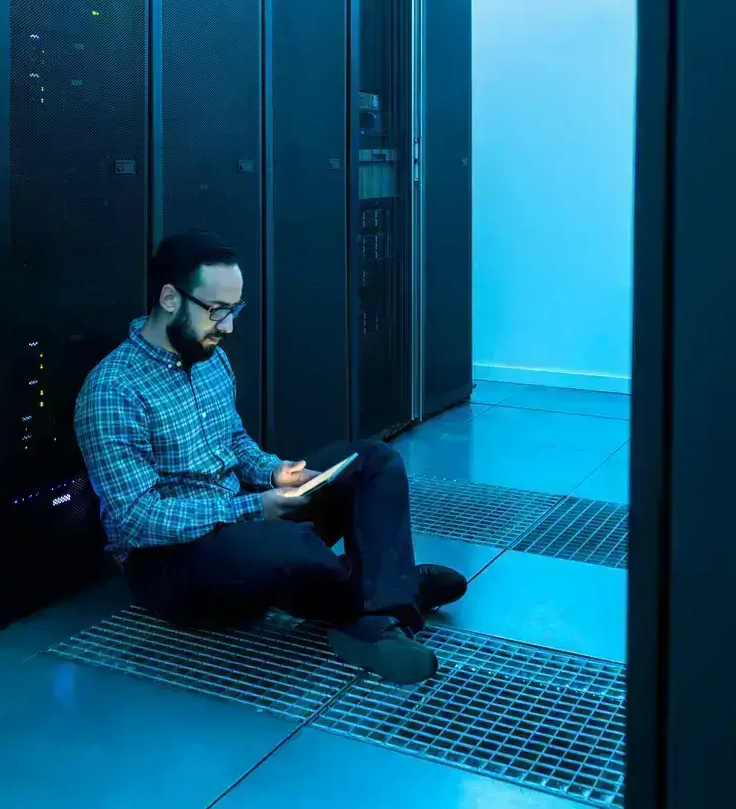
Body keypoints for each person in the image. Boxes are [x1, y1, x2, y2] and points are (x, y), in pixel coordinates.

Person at [74, 231, 467, 684]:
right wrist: (254, 508)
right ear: (168, 298)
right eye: (217, 311)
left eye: (234, 310)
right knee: (285, 543)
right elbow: (135, 520)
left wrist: (275, 473)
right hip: (171, 563)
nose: (228, 326)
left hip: (241, 522)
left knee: (372, 460)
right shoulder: (113, 391)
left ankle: (381, 612)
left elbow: (235, 442)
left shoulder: (209, 358)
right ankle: (391, 587)